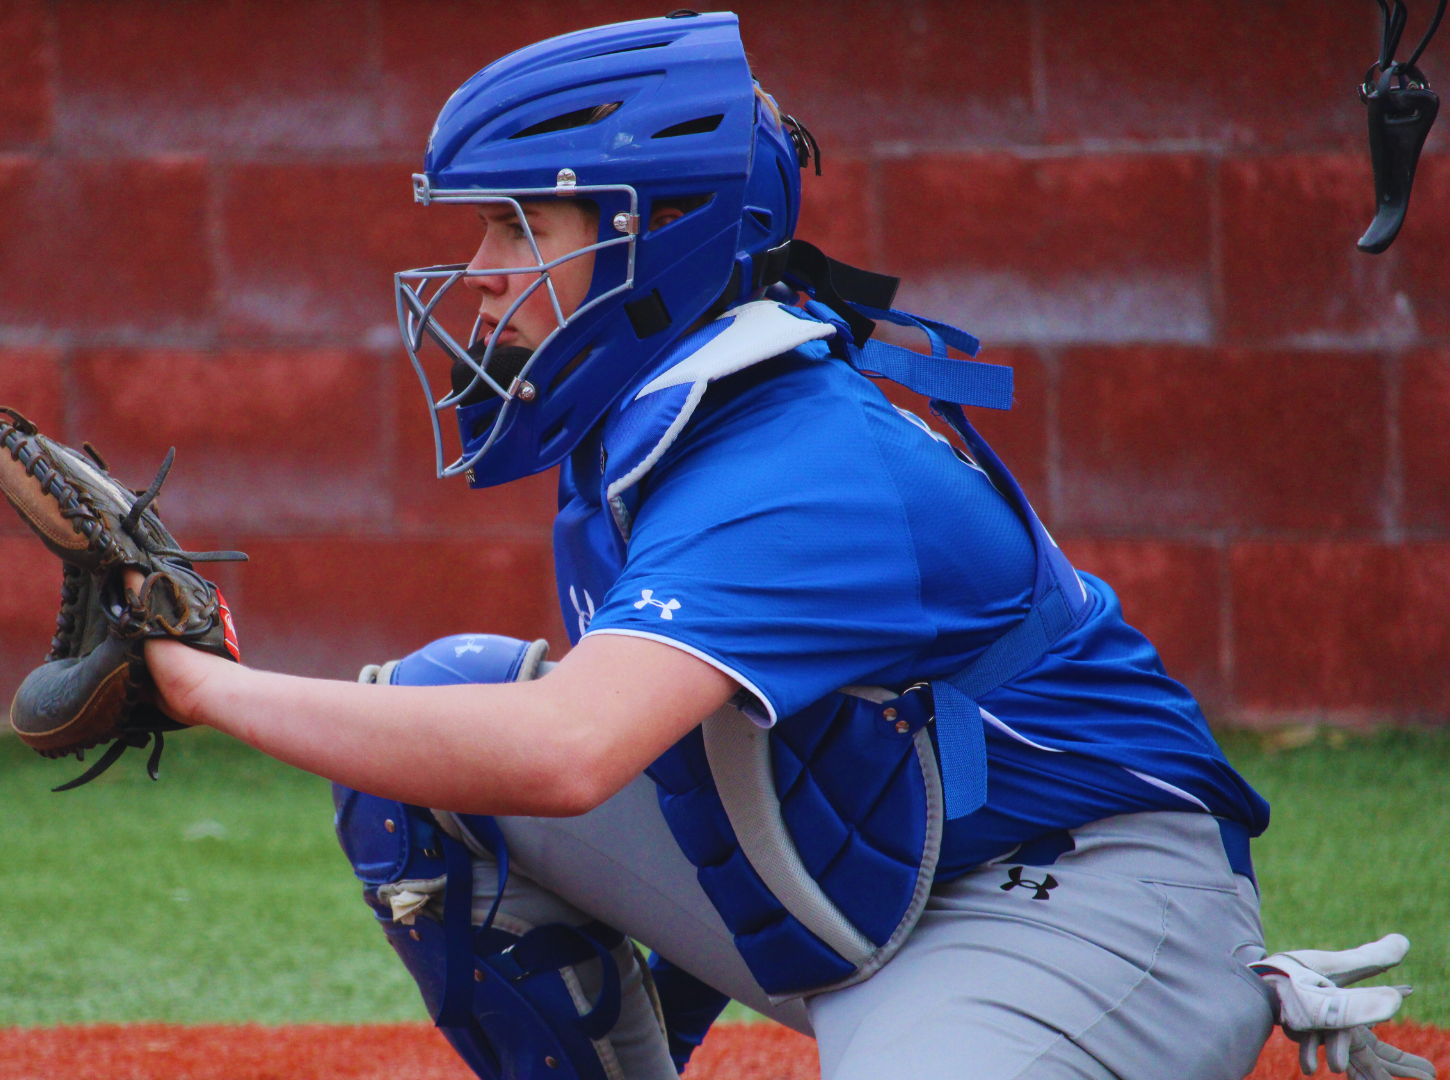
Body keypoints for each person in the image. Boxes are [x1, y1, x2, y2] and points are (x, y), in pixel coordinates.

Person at [125, 12, 1432, 1080]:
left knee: (505, 732)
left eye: (519, 224)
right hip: (896, 889)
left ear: (658, 233)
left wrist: (202, 685)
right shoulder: (663, 422)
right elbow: (715, 777)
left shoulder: (799, 464)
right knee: (430, 727)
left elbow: (570, 754)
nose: (475, 271)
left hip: (1090, 907)